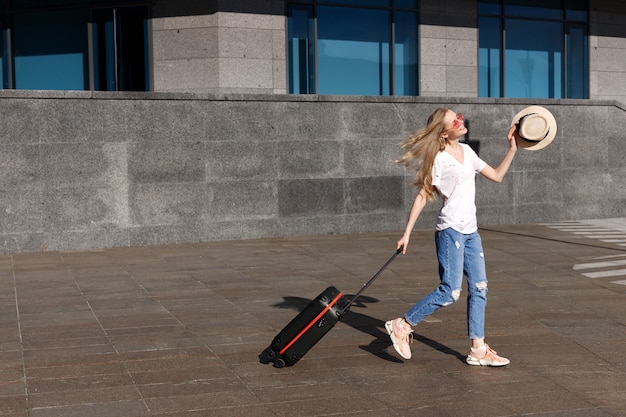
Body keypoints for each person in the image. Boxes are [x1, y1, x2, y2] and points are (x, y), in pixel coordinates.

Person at [385, 107, 517, 367]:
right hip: (450, 230)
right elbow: (423, 194)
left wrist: (513, 147)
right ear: (444, 133)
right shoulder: (439, 158)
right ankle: (402, 324)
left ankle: (478, 349)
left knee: (480, 288)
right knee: (450, 291)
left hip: (471, 231)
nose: (461, 119)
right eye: (454, 120)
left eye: (459, 115)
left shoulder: (467, 151)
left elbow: (497, 176)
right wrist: (407, 234)